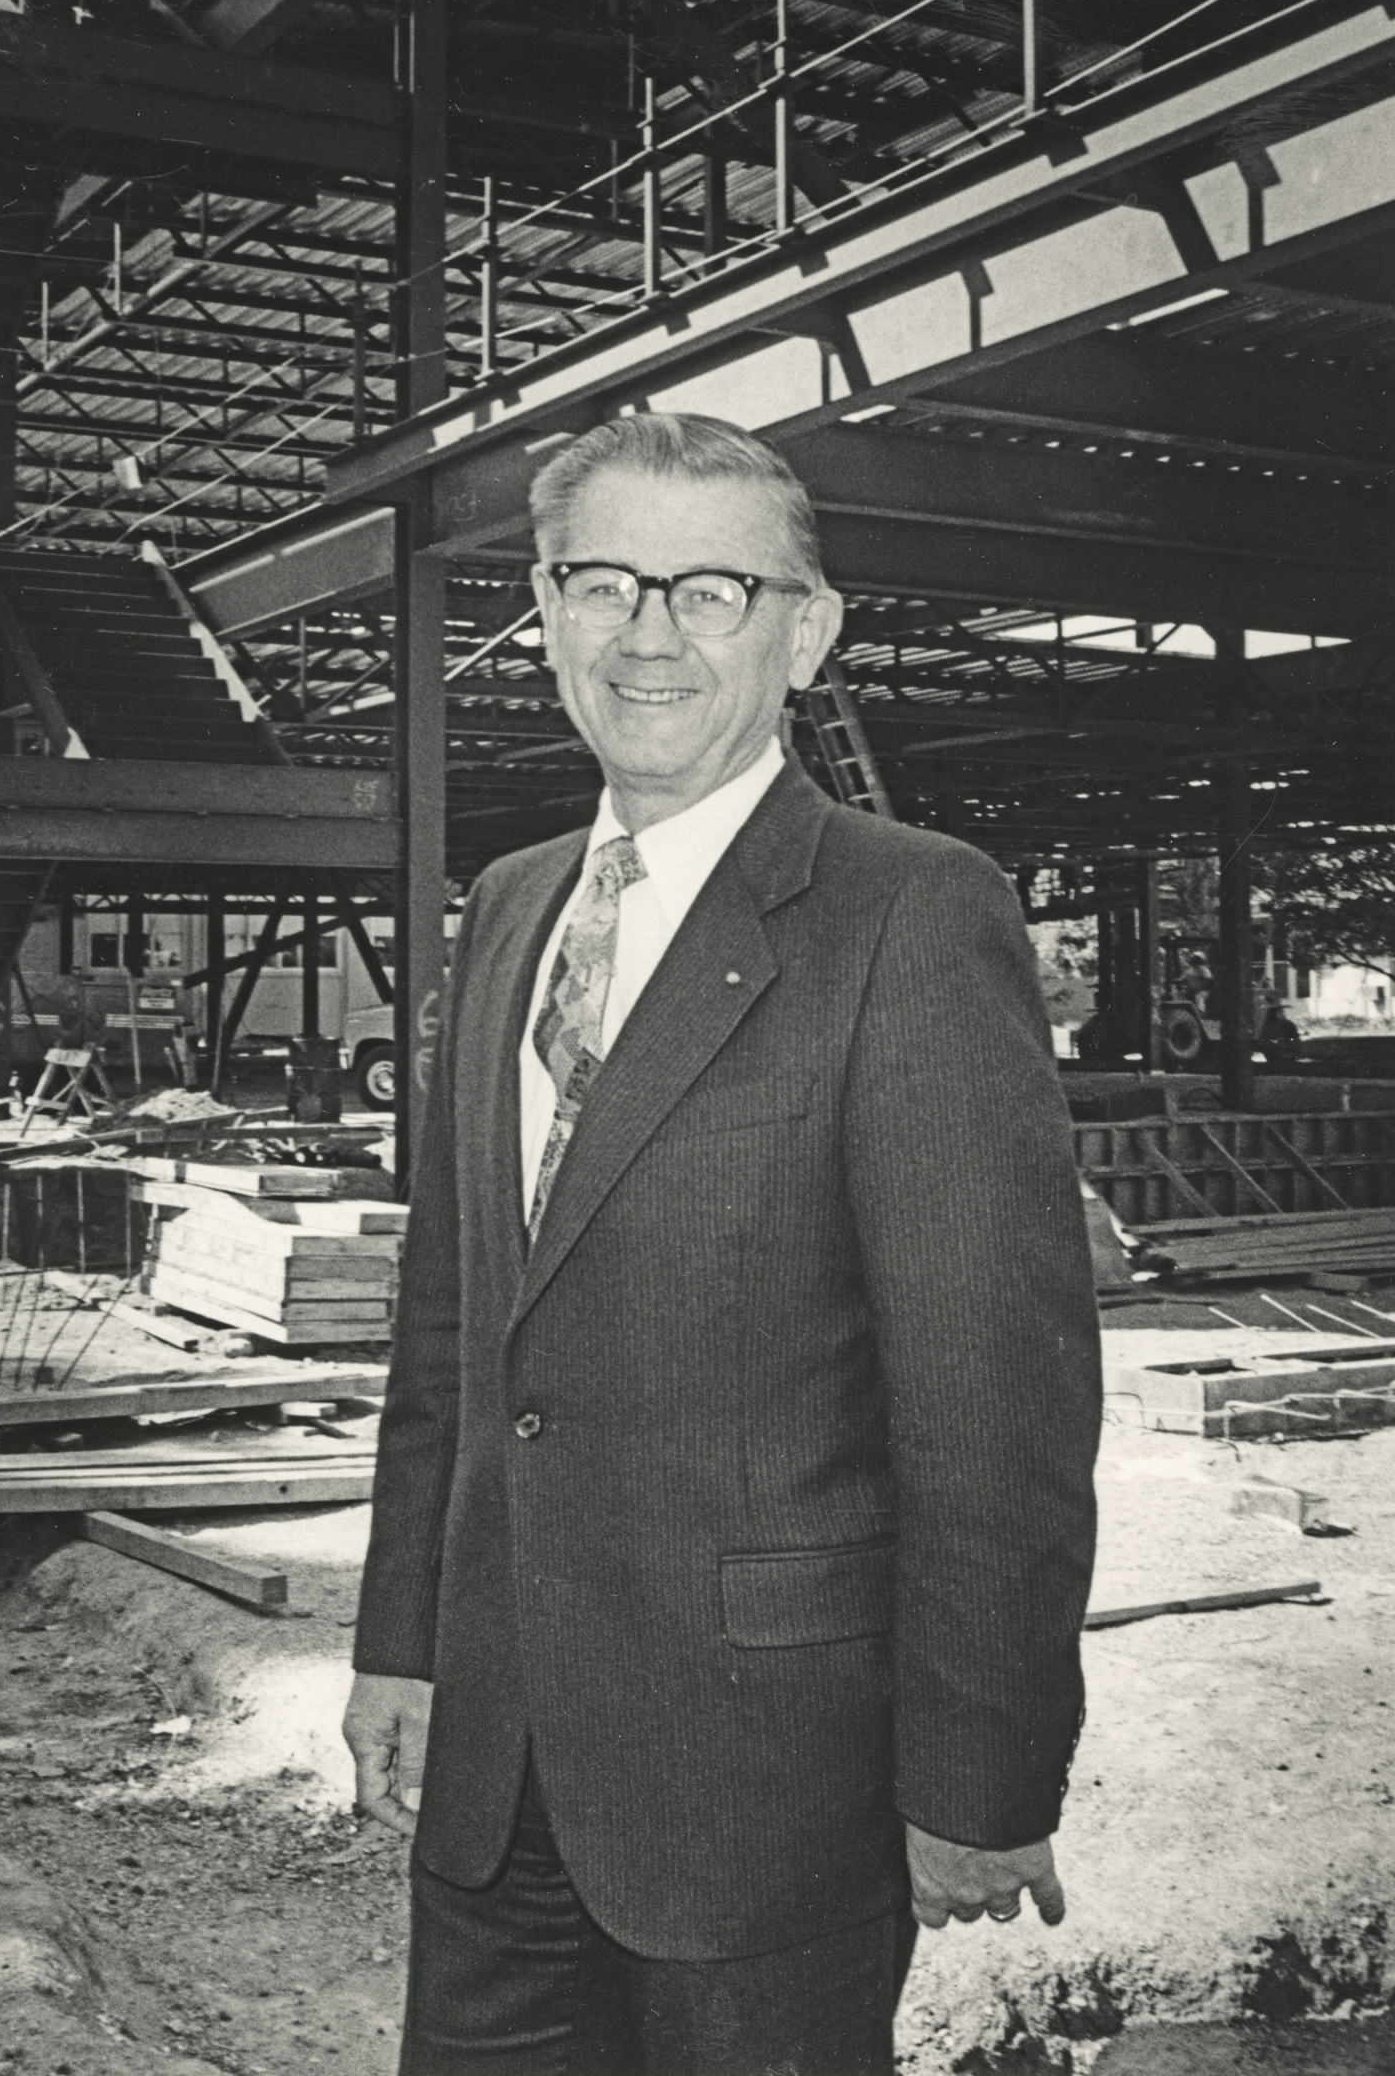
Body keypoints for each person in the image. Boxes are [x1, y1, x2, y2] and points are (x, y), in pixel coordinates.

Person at [344, 413, 1101, 2075]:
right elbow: (452, 1329)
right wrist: (401, 1642)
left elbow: (992, 1397)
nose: (645, 634)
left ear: (802, 629)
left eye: (706, 590)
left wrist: (977, 1782)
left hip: (765, 1785)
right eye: (600, 582)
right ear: (542, 613)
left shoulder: (906, 913)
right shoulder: (509, 908)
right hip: (492, 1760)